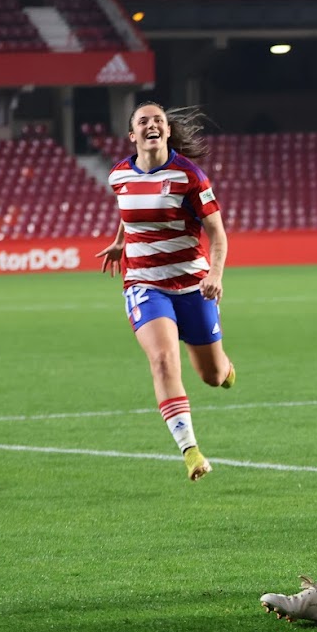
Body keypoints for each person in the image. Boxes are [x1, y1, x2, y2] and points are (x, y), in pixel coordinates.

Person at [96, 103, 235, 482]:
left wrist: (216, 275)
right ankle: (190, 449)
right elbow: (130, 211)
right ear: (132, 135)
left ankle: (225, 369)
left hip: (192, 284)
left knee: (211, 374)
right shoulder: (119, 175)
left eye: (158, 120)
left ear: (167, 131)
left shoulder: (190, 176)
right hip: (143, 284)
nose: (152, 125)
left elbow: (217, 234)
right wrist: (119, 242)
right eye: (143, 121)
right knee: (162, 359)